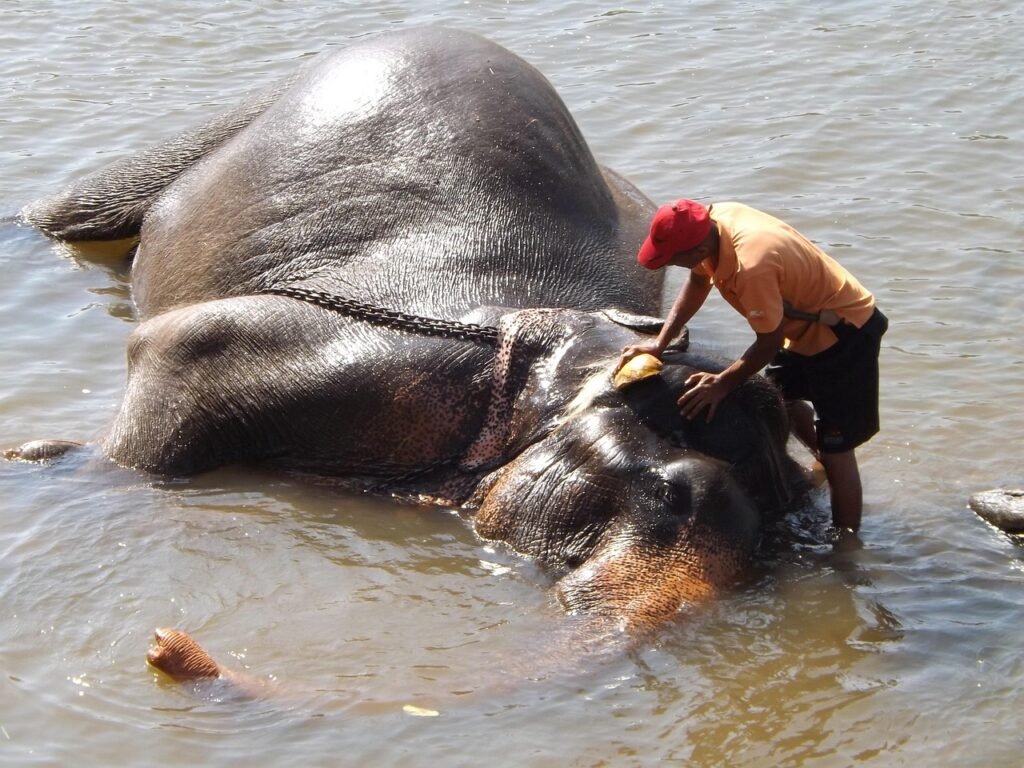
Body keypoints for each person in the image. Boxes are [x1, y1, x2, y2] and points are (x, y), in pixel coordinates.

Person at [617, 199, 887, 532]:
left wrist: (724, 383)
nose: (671, 264)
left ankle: (846, 547)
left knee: (838, 445)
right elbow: (699, 282)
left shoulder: (751, 266)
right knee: (781, 401)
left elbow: (768, 342)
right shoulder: (712, 226)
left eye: (674, 259)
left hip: (845, 333)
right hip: (799, 327)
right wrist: (660, 343)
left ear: (699, 247)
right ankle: (823, 463)